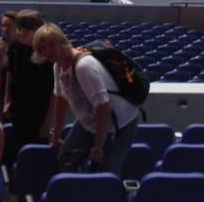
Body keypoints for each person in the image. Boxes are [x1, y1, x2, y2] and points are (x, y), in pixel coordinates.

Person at [32, 24, 139, 175]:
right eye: (42, 48)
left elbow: (104, 108)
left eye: (51, 44)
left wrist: (98, 146)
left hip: (119, 122)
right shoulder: (58, 66)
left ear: (62, 42)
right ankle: (76, 187)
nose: (47, 51)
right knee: (66, 159)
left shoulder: (83, 66)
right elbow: (60, 101)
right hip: (91, 119)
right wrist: (56, 137)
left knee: (105, 172)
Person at [3, 9, 54, 146]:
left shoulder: (47, 53)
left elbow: (54, 92)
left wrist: (47, 123)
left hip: (39, 112)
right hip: (18, 108)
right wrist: (7, 100)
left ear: (37, 29)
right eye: (18, 28)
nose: (19, 32)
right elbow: (10, 73)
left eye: (24, 29)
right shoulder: (15, 46)